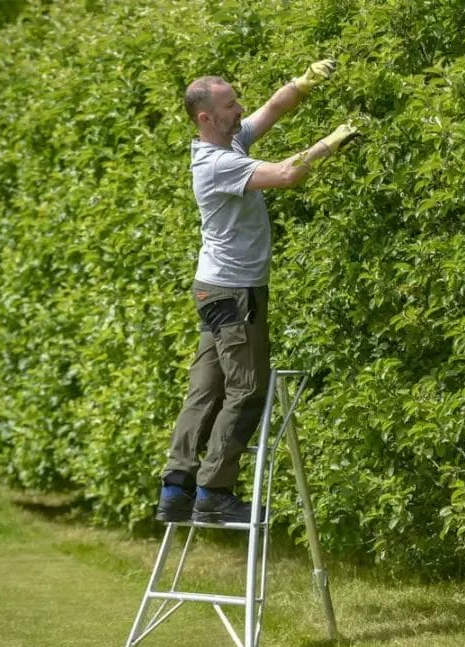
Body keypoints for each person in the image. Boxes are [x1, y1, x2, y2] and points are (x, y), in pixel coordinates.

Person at [156, 59, 358, 524]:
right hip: (235, 292)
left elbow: (271, 109)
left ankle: (175, 488)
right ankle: (213, 493)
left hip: (215, 289)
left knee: (205, 390)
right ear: (205, 117)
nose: (240, 108)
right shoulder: (218, 163)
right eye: (230, 105)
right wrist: (330, 143)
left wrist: (303, 83)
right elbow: (288, 175)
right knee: (247, 389)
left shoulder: (231, 140)